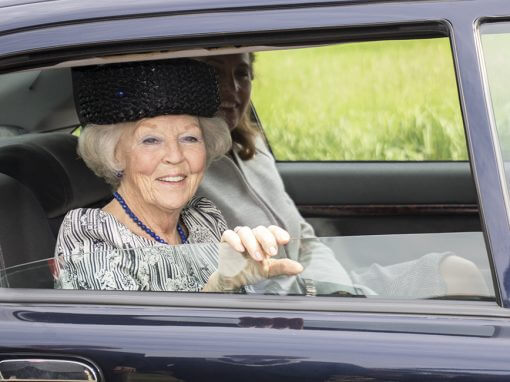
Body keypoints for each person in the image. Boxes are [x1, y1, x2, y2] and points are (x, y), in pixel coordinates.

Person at [197, 53, 489, 298]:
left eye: (242, 74)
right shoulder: (182, 171)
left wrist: (341, 290)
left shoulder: (253, 146)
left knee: (458, 271)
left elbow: (305, 236)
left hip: (328, 287)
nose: (233, 89)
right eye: (216, 73)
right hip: (290, 309)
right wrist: (336, 298)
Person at [54, 58, 303, 292]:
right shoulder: (90, 235)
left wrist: (254, 281)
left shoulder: (203, 218)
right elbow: (129, 335)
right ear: (115, 154)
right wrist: (217, 289)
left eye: (190, 138)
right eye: (150, 140)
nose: (175, 156)